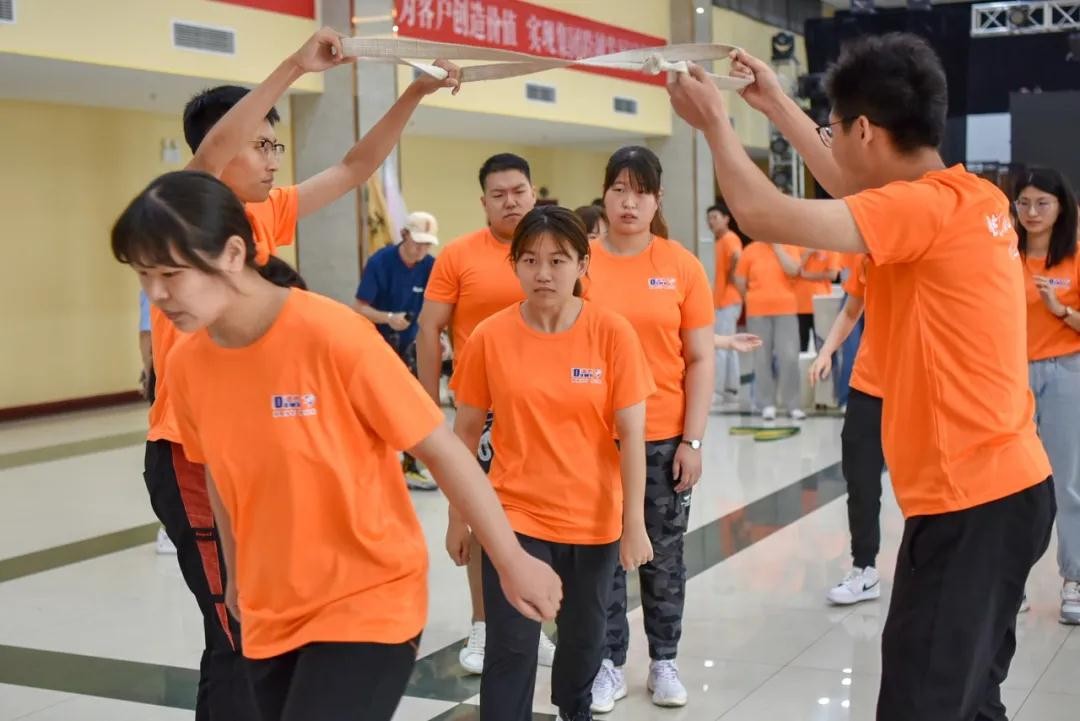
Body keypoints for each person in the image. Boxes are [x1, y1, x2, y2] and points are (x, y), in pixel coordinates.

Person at [668, 32, 1054, 720]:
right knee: (971, 701)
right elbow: (854, 184)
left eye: (836, 129)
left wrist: (716, 124)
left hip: (970, 507)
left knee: (920, 704)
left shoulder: (918, 209)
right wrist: (777, 104)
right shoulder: (971, 196)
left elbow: (763, 214)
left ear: (866, 130)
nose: (833, 143)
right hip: (1007, 490)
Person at [112, 170, 562, 721]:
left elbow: (442, 450)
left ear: (232, 253)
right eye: (144, 276)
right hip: (270, 607)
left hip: (366, 598)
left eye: (170, 273)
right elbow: (219, 473)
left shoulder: (331, 334)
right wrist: (235, 576)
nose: (157, 294)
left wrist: (511, 559)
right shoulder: (187, 363)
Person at [141, 26, 461, 720]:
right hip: (193, 456)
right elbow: (210, 155)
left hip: (257, 446)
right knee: (234, 636)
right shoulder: (181, 214)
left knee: (263, 626)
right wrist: (293, 65)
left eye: (276, 145)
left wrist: (414, 92)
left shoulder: (265, 215)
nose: (271, 158)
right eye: (259, 143)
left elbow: (354, 167)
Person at [449, 205, 655, 721]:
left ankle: (573, 710)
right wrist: (459, 517)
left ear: (582, 264)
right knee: (511, 648)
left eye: (558, 260)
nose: (543, 273)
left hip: (593, 520)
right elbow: (465, 433)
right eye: (530, 260)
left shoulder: (612, 333)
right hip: (514, 517)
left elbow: (632, 435)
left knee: (583, 644)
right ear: (515, 265)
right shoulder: (490, 337)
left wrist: (634, 524)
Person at [584, 146, 715, 711]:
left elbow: (700, 359)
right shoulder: (581, 264)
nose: (628, 202)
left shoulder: (681, 266)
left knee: (663, 557)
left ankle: (664, 660)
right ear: (605, 194)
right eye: (619, 189)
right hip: (593, 439)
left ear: (658, 199)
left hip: (663, 437)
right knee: (601, 554)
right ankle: (608, 663)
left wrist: (693, 440)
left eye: (640, 191)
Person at [416, 153, 556, 673]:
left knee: (539, 518)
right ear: (483, 202)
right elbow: (428, 328)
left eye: (518, 191)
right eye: (498, 195)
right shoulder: (458, 255)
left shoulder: (554, 251)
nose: (510, 202)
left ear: (533, 193)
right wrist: (425, 403)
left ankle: (535, 622)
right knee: (479, 516)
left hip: (549, 407)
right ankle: (482, 624)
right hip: (482, 409)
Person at [1013, 167, 1080, 625]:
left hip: (1064, 372)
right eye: (1024, 203)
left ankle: (1074, 578)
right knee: (1012, 485)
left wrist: (1061, 310)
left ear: (1061, 207)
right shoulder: (1004, 255)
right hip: (1011, 375)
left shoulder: (1073, 257)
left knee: (1066, 482)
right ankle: (1010, 580)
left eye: (1042, 203)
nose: (1032, 212)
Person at [808, 253, 885, 605]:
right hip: (869, 383)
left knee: (928, 484)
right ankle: (864, 568)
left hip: (918, 385)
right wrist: (826, 352)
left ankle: (937, 569)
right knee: (861, 479)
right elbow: (852, 310)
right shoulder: (871, 257)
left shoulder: (930, 251)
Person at [354, 211, 440, 491]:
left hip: (411, 343)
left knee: (414, 405)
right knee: (376, 408)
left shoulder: (430, 266)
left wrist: (442, 338)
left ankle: (410, 466)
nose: (421, 250)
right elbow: (360, 308)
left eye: (427, 245)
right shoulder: (380, 262)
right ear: (404, 235)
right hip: (378, 342)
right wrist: (389, 318)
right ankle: (371, 466)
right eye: (417, 243)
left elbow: (438, 306)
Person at [733, 240, 805, 420]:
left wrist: (778, 249)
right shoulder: (750, 250)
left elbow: (793, 270)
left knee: (789, 357)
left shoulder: (790, 246)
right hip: (757, 311)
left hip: (786, 309)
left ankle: (792, 404)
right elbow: (740, 281)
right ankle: (766, 404)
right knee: (761, 358)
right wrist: (750, 298)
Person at [708, 203, 745, 408]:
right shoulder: (720, 241)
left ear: (726, 219)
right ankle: (731, 388)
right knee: (729, 345)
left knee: (721, 347)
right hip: (724, 300)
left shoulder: (730, 238)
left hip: (729, 300)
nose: (711, 221)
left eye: (715, 217)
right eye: (709, 218)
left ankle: (718, 391)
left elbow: (738, 257)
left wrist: (732, 276)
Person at [794, 249, 841, 352]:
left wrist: (807, 275)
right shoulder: (797, 247)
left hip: (821, 304)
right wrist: (807, 253)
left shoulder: (831, 249)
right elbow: (794, 270)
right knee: (800, 347)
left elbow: (833, 275)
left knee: (824, 346)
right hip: (800, 305)